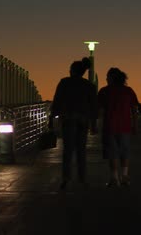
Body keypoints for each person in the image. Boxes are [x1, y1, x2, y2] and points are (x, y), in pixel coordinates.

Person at [51, 58, 98, 190]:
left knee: (68, 151)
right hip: (83, 120)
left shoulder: (64, 82)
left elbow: (57, 101)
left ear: (72, 70)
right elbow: (94, 106)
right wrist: (93, 124)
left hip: (68, 119)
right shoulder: (89, 85)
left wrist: (52, 118)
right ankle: (82, 179)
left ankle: (66, 178)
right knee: (81, 150)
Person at [98, 67, 139, 187]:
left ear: (112, 78)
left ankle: (114, 178)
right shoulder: (128, 91)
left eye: (107, 76)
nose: (106, 78)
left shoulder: (104, 91)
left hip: (109, 125)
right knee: (124, 151)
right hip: (125, 126)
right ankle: (125, 176)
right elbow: (134, 110)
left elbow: (99, 110)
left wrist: (94, 125)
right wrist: (135, 125)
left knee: (112, 153)